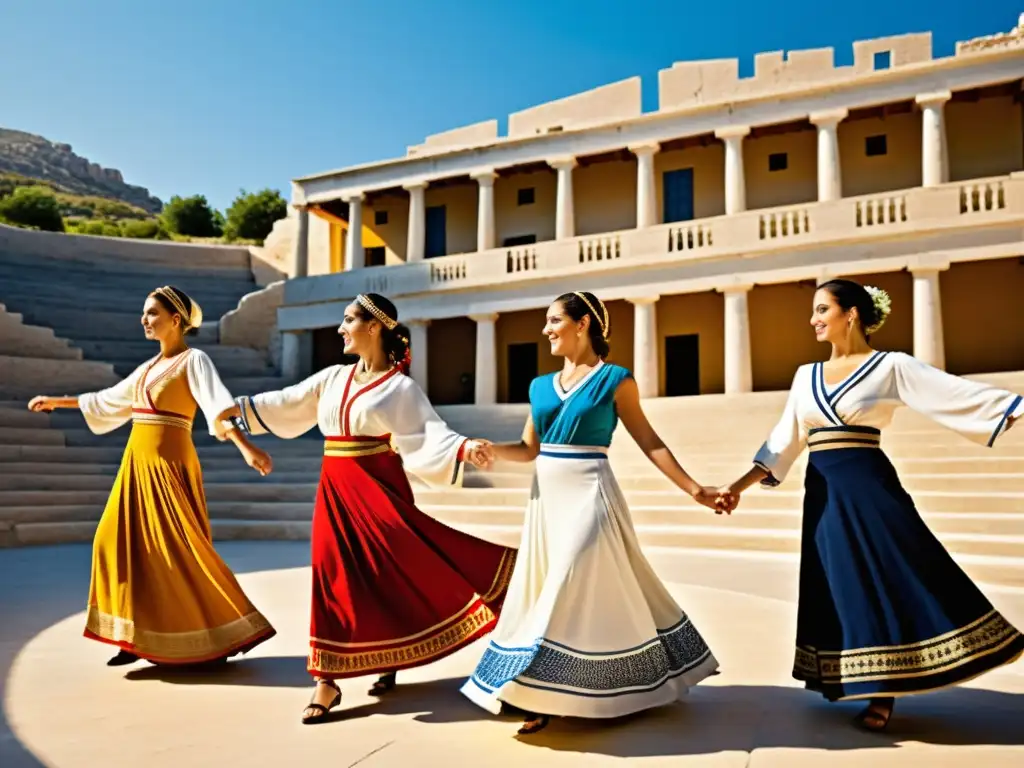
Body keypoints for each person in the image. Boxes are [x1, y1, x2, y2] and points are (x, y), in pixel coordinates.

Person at [719, 278, 1023, 731]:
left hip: (872, 489)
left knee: (898, 573)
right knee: (840, 584)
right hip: (823, 495)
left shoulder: (890, 366)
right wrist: (736, 486)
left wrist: (1016, 407)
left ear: (851, 314)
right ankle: (863, 680)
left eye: (822, 309)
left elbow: (952, 393)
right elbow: (785, 440)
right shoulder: (806, 375)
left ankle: (885, 692)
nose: (813, 319)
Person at [224, 293, 516, 724]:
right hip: (335, 488)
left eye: (348, 321)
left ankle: (400, 650)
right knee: (331, 575)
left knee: (397, 566)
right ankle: (326, 680)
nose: (340, 329)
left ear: (375, 326)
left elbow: (429, 433)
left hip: (380, 488)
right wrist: (239, 409)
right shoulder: (332, 378)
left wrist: (465, 448)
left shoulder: (400, 387)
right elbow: (289, 401)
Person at [460, 291, 722, 735]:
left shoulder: (617, 380)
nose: (546, 330)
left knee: (566, 586)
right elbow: (529, 449)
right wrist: (489, 451)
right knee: (550, 591)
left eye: (554, 320)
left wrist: (695, 489)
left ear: (582, 324)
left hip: (591, 496)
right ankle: (540, 694)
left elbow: (650, 441)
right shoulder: (539, 385)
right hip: (547, 503)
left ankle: (543, 691)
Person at [28, 286, 276, 667]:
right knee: (111, 543)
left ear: (175, 320)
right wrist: (56, 402)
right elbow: (107, 400)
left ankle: (214, 637)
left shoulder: (194, 360)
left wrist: (247, 447)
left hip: (169, 467)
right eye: (144, 314)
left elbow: (217, 407)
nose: (144, 320)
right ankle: (132, 634)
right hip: (135, 466)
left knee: (179, 552)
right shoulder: (147, 368)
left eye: (152, 313)